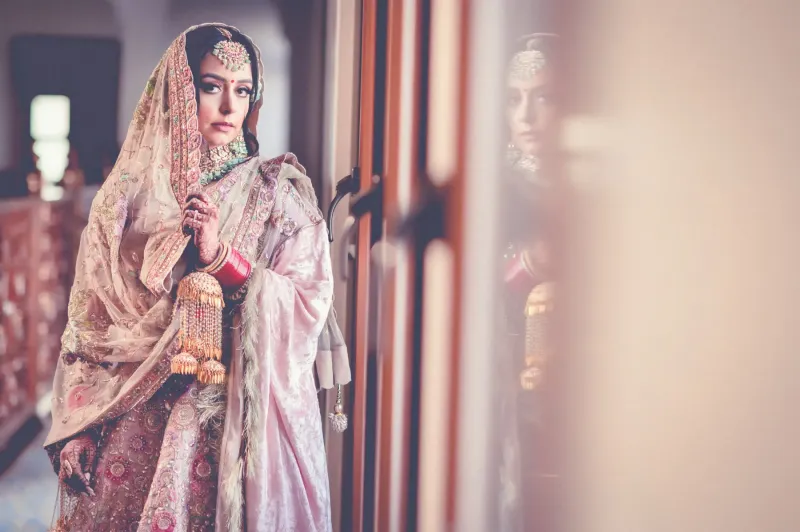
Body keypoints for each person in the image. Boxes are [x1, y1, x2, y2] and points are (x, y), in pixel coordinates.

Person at [45, 24, 349, 532]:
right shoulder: (122, 204)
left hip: (226, 418)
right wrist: (80, 426)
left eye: (243, 89)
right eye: (212, 86)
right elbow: (88, 328)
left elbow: (307, 302)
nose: (230, 106)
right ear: (180, 92)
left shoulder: (276, 195)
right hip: (128, 417)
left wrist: (221, 256)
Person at [498, 33, 561, 532]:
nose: (526, 115)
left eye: (544, 96)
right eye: (514, 99)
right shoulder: (492, 183)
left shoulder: (591, 183)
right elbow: (467, 283)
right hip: (503, 365)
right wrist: (529, 265)